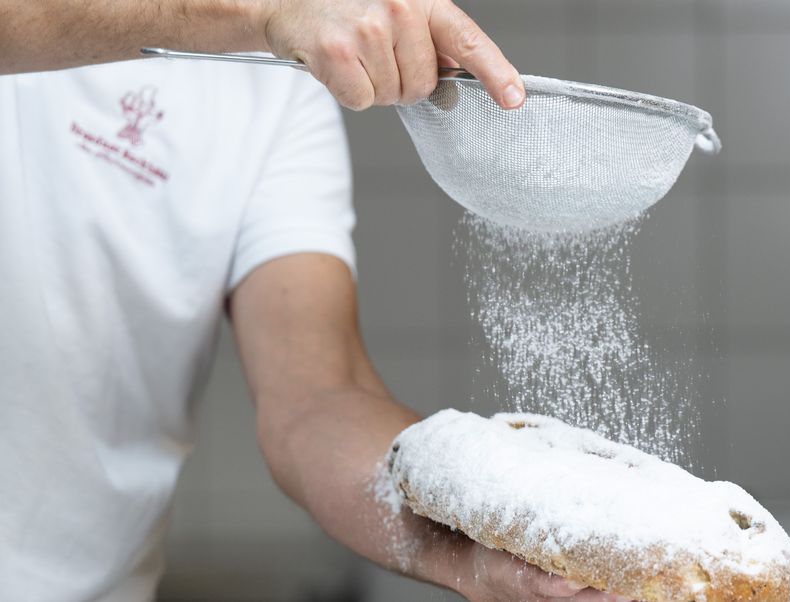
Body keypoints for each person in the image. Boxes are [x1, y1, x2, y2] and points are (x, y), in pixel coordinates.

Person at [0, 1, 627, 600]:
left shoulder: (279, 89)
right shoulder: (276, 16)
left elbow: (315, 399)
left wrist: (476, 546)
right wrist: (264, 10)